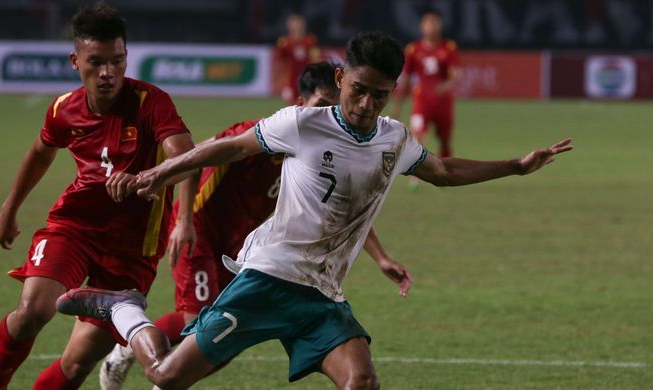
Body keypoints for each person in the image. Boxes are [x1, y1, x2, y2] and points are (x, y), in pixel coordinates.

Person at [57, 31, 572, 389]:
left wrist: (517, 166)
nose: (366, 105)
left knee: (362, 380)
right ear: (342, 76)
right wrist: (158, 174)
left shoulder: (394, 140)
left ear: (393, 92)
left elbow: (443, 172)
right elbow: (229, 149)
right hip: (268, 280)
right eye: (358, 90)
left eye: (379, 95)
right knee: (167, 378)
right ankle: (122, 308)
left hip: (321, 295)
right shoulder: (303, 123)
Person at [98, 62, 413, 390]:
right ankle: (130, 346)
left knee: (223, 346)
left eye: (332, 107)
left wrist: (381, 258)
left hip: (242, 244)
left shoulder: (327, 146)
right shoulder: (268, 131)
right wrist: (184, 221)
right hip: (202, 230)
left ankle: (163, 373)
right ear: (300, 101)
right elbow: (197, 156)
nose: (327, 114)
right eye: (321, 105)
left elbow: (342, 214)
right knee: (197, 317)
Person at [0, 3, 197, 389]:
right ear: (74, 60)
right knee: (32, 310)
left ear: (126, 57)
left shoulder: (151, 103)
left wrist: (179, 215)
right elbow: (40, 151)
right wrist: (9, 208)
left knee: (78, 361)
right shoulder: (64, 110)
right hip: (76, 226)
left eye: (116, 61)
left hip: (133, 247)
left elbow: (185, 155)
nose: (107, 72)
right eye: (96, 62)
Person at [390, 9, 460, 172]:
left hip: (443, 103)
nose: (432, 27)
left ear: (440, 27)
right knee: (418, 136)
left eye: (435, 23)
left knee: (444, 140)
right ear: (422, 27)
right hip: (422, 101)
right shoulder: (414, 49)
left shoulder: (448, 48)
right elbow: (407, 78)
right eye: (429, 23)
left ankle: (447, 171)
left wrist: (446, 85)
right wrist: (398, 105)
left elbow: (455, 75)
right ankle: (417, 173)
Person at [273, 13, 321, 103]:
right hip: (290, 82)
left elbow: (316, 59)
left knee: (307, 105)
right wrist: (277, 82)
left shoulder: (310, 40)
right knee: (291, 108)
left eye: (298, 23)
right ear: (289, 25)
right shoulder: (284, 42)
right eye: (294, 24)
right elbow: (279, 63)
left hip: (307, 79)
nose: (296, 26)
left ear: (303, 25)